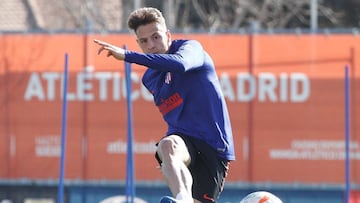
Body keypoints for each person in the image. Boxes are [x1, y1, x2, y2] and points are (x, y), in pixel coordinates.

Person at [94, 7, 235, 203]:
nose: (151, 45)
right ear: (139, 43)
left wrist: (128, 56)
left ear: (168, 35)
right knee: (166, 145)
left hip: (213, 145)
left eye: (156, 37)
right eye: (144, 41)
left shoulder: (191, 49)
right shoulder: (149, 78)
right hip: (183, 141)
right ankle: (182, 198)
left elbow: (180, 64)